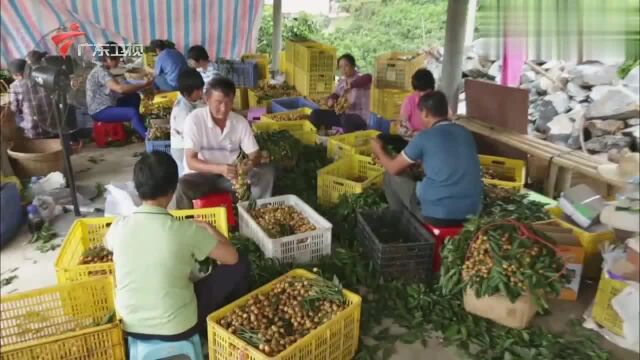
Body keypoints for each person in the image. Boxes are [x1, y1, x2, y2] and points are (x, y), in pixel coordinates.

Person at [105, 151, 250, 341]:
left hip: (129, 326)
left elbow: (106, 243)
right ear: (172, 191)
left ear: (137, 188)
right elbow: (232, 257)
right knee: (241, 264)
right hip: (179, 327)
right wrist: (209, 227)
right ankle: (218, 329)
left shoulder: (118, 227)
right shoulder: (186, 230)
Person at [370, 91, 482, 227]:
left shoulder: (424, 137)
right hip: (471, 215)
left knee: (390, 176)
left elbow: (393, 168)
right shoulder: (466, 133)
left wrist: (379, 150)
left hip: (437, 215)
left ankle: (400, 224)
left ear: (426, 114)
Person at [174, 77, 274, 209]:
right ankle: (186, 224)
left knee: (267, 172)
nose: (224, 108)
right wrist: (220, 169)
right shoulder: (194, 120)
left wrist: (249, 165)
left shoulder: (239, 122)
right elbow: (191, 161)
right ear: (207, 99)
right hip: (202, 176)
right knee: (182, 186)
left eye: (229, 102)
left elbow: (255, 154)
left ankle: (256, 213)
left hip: (232, 177)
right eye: (218, 102)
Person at [86, 42, 153, 138]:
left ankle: (137, 126)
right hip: (99, 111)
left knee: (134, 97)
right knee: (132, 112)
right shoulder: (101, 72)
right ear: (109, 58)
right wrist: (144, 84)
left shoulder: (103, 70)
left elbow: (118, 88)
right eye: (118, 58)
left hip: (108, 103)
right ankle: (149, 138)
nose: (119, 62)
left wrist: (138, 86)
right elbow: (120, 89)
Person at [310, 54, 372, 133]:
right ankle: (320, 137)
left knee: (346, 119)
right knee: (316, 114)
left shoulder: (361, 79)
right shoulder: (342, 82)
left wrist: (352, 85)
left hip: (360, 118)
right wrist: (331, 100)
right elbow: (336, 94)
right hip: (343, 116)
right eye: (340, 67)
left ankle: (348, 142)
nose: (343, 69)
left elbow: (369, 77)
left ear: (353, 66)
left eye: (346, 65)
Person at [170, 68, 206, 176]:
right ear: (186, 93)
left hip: (190, 145)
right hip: (182, 149)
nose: (201, 93)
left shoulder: (192, 100)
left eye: (201, 89)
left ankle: (257, 115)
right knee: (186, 176)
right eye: (198, 91)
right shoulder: (181, 111)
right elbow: (190, 133)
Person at [8, 59, 55, 138]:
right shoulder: (44, 79)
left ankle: (26, 132)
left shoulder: (15, 86)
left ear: (16, 75)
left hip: (33, 132)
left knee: (16, 115)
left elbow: (14, 108)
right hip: (53, 129)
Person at [398, 69, 436, 140]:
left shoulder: (438, 101)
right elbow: (402, 128)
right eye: (419, 91)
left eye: (425, 90)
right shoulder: (409, 101)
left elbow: (445, 124)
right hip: (413, 140)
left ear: (432, 89)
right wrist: (412, 134)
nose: (422, 94)